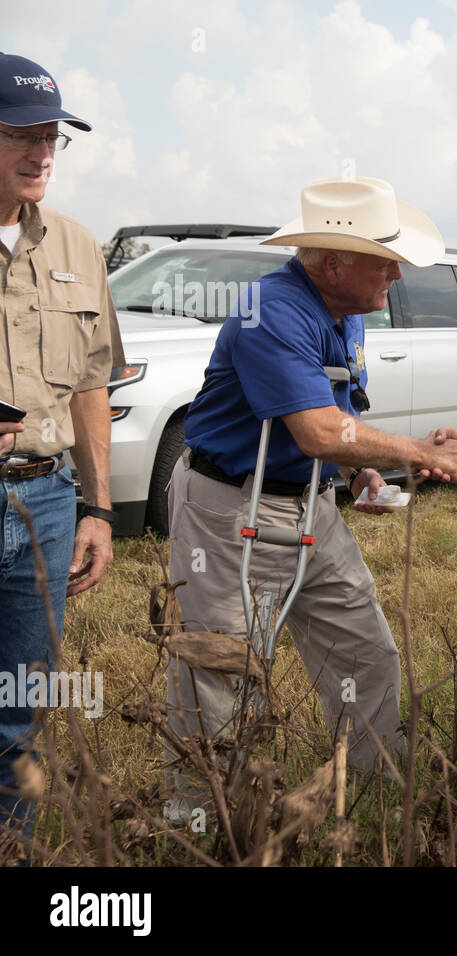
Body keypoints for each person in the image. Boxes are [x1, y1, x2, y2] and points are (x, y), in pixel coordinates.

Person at [165, 177, 457, 798]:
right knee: (224, 669)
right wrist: (417, 451)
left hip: (310, 504)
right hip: (231, 507)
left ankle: (379, 795)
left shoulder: (346, 309)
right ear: (334, 262)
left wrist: (354, 469)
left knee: (366, 650)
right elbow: (316, 430)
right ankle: (207, 820)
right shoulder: (271, 307)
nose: (397, 276)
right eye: (386, 261)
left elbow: (327, 417)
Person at [0, 53, 123, 838]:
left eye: (52, 135)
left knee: (18, 716)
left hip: (45, 504)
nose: (42, 152)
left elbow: (91, 386)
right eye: (21, 134)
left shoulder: (78, 245)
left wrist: (98, 509)